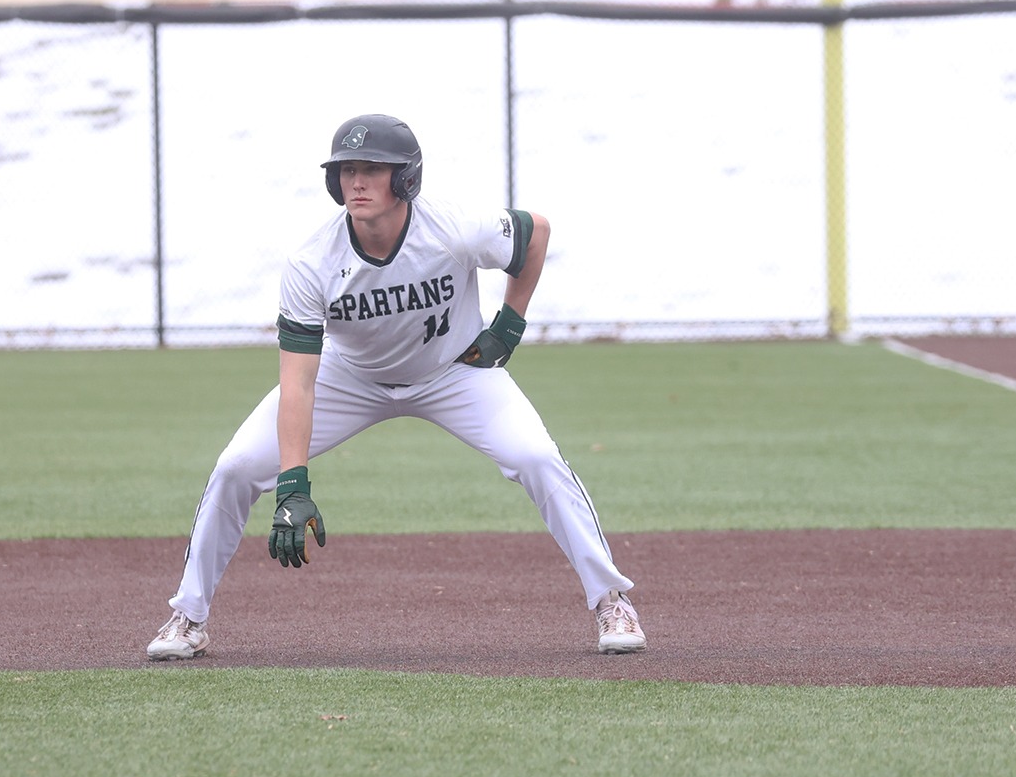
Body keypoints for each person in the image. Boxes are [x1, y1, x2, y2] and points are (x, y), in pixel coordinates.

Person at [145, 114, 646, 661]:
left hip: (453, 371)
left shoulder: (452, 227)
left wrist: (509, 325)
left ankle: (611, 599)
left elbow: (536, 233)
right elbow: (298, 383)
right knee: (236, 468)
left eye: (372, 169)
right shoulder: (313, 262)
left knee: (537, 457)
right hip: (352, 377)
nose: (356, 182)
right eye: (346, 170)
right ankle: (188, 615)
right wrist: (292, 484)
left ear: (406, 178)